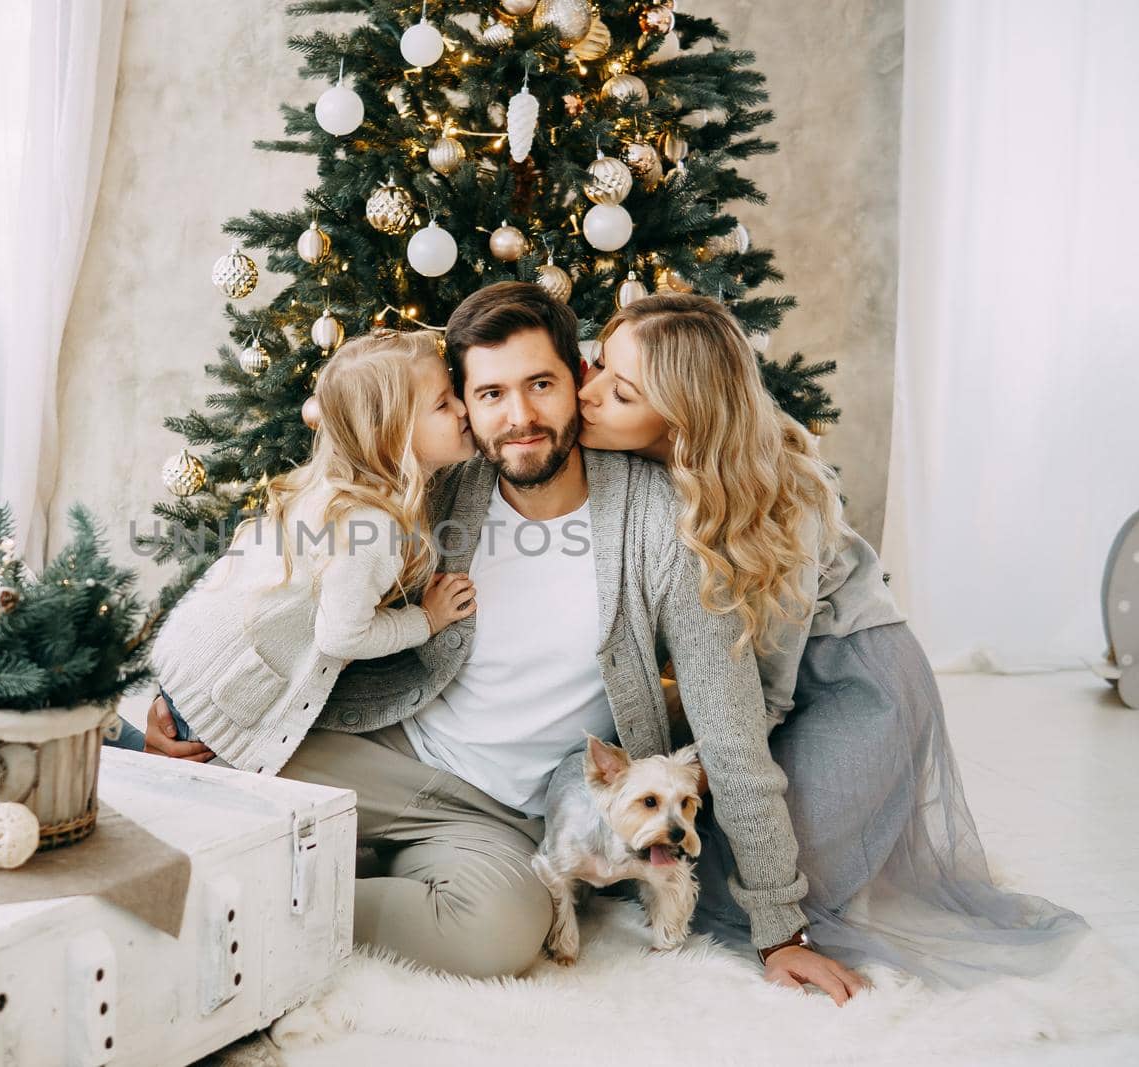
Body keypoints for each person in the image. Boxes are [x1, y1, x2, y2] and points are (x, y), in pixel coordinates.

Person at [149, 283, 867, 1000]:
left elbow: (732, 734)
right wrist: (190, 698)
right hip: (384, 750)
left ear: (578, 380)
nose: (519, 417)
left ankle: (266, 893)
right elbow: (287, 560)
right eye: (490, 393)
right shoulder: (439, 483)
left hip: (501, 815)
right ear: (461, 404)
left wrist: (781, 930)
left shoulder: (660, 529)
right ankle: (322, 844)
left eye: (540, 384)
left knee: (496, 929)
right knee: (193, 776)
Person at [576, 292, 1088, 986]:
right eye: (598, 366)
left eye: (621, 390)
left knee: (759, 885)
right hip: (753, 681)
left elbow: (764, 698)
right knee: (684, 840)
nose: (588, 394)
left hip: (851, 674)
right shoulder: (631, 460)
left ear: (682, 415)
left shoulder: (781, 497)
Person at [143, 329, 479, 777]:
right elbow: (341, 637)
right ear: (391, 434)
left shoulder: (339, 488)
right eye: (443, 403)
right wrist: (427, 621)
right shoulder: (371, 526)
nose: (462, 408)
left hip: (191, 671)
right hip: (218, 704)